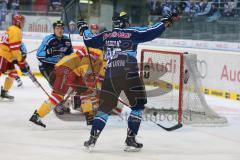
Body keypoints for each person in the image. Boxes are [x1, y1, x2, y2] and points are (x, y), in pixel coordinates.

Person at [77, 11, 178, 151]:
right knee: (138, 107)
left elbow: (89, 40)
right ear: (125, 22)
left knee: (104, 109)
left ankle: (92, 140)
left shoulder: (106, 35)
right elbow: (151, 32)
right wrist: (165, 22)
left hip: (111, 74)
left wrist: (83, 28)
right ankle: (130, 140)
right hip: (129, 72)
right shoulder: (131, 32)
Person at [29, 47, 105, 128]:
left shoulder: (103, 58)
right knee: (58, 96)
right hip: (66, 68)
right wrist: (90, 80)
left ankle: (90, 119)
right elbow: (86, 65)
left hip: (76, 73)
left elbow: (100, 75)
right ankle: (37, 115)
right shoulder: (97, 52)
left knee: (86, 92)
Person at [0, 15, 29, 101]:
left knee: (13, 73)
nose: (24, 23)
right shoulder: (16, 31)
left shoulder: (12, 28)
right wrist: (22, 62)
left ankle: (4, 92)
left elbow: (13, 49)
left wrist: (19, 59)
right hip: (2, 55)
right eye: (22, 22)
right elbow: (15, 50)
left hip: (7, 56)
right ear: (18, 22)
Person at [36, 20, 73, 86]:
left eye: (61, 28)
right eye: (57, 28)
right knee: (56, 85)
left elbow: (71, 54)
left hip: (59, 65)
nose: (60, 30)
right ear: (54, 29)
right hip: (46, 65)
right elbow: (38, 55)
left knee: (66, 84)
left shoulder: (67, 40)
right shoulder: (48, 39)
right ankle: (55, 94)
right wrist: (47, 52)